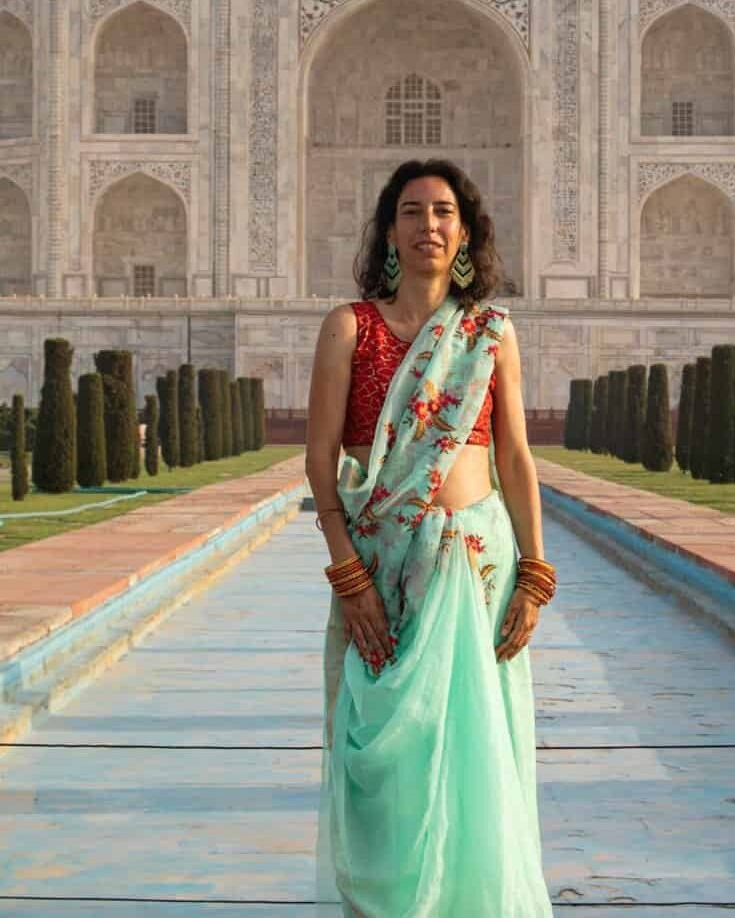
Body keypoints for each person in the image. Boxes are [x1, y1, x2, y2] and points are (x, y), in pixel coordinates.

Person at [305, 158, 554, 918]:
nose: (428, 226)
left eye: (443, 211)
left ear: (467, 231)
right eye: (411, 212)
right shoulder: (350, 326)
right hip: (380, 566)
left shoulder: (489, 331)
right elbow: (320, 464)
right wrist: (348, 576)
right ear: (388, 230)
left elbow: (513, 455)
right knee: (383, 756)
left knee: (475, 759)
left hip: (477, 567)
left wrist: (537, 570)